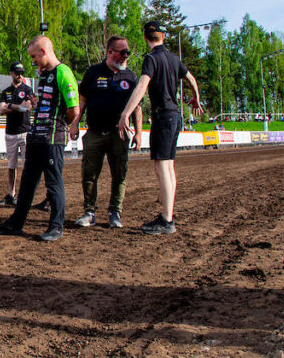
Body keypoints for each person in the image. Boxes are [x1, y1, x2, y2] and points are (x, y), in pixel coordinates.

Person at [0, 35, 79, 242]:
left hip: (52, 138)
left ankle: (56, 226)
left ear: (44, 51)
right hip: (36, 137)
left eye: (34, 56)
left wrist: (56, 124)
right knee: (28, 183)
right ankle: (15, 223)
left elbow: (73, 110)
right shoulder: (45, 75)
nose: (32, 62)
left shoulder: (63, 72)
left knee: (53, 182)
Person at [119, 20, 203, 235]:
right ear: (163, 37)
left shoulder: (151, 58)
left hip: (163, 116)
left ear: (146, 38)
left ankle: (166, 220)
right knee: (169, 166)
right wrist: (196, 98)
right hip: (175, 116)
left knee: (162, 166)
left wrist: (126, 113)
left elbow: (142, 85)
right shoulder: (174, 59)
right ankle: (168, 214)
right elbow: (191, 78)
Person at [74, 35, 142, 229]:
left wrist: (138, 132)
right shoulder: (93, 72)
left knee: (119, 174)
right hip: (94, 132)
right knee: (89, 174)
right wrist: (74, 124)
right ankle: (89, 212)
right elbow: (82, 100)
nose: (125, 57)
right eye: (122, 53)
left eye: (127, 53)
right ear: (110, 52)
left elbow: (137, 107)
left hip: (119, 135)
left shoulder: (130, 77)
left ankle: (115, 212)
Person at [0, 61, 35, 206]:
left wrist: (10, 106)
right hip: (10, 132)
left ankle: (24, 195)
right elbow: (1, 110)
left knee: (27, 166)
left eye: (22, 73)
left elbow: (28, 108)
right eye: (17, 72)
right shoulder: (6, 91)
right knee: (11, 165)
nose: (20, 75)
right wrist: (18, 107)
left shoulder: (28, 89)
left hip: (25, 131)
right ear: (11, 73)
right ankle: (11, 194)